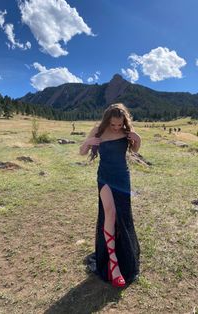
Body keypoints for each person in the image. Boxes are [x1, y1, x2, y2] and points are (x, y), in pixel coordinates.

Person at [80, 103, 141, 287]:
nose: (116, 128)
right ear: (107, 120)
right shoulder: (98, 130)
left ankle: (124, 253)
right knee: (110, 212)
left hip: (122, 177)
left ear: (124, 121)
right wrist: (88, 142)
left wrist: (138, 139)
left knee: (122, 216)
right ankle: (113, 264)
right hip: (105, 177)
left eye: (119, 125)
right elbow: (82, 152)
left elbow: (135, 150)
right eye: (113, 124)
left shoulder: (126, 132)